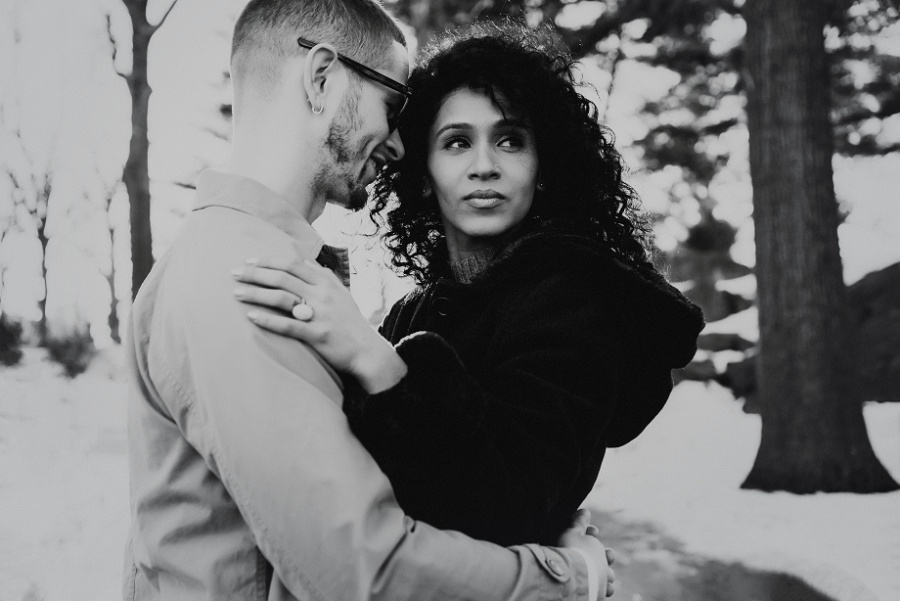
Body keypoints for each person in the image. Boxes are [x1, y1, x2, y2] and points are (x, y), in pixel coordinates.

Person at [124, 1, 615, 600]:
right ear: (322, 76)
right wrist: (564, 578)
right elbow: (363, 570)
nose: (401, 146)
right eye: (394, 102)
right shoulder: (246, 278)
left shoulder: (264, 268)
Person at [232, 21, 704, 556]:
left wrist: (379, 362)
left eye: (511, 141)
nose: (485, 167)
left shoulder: (575, 299)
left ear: (541, 163)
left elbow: (507, 501)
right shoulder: (418, 309)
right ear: (423, 171)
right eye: (457, 143)